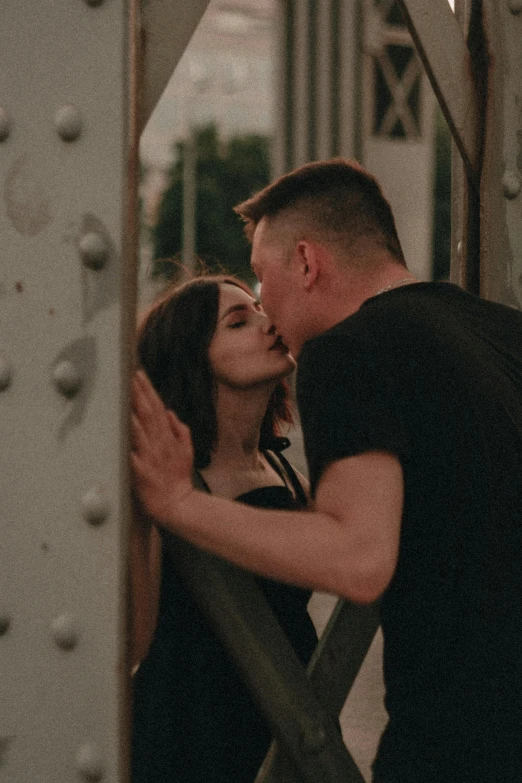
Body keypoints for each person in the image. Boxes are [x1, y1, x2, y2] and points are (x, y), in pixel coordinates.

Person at [131, 159, 522, 782]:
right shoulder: (506, 333)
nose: (265, 308)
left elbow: (358, 558)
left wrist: (178, 502)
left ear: (307, 263)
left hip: (457, 749)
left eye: (261, 280)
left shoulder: (351, 349)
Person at [130, 274, 318, 783]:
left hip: (281, 719)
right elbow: (137, 640)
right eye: (239, 321)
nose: (267, 321)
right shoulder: (165, 481)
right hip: (192, 731)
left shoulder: (287, 474)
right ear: (193, 358)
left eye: (260, 307)